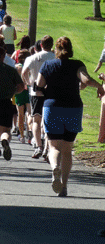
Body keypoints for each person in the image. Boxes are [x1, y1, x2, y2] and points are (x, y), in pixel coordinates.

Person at [36, 37, 105, 197]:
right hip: (73, 108)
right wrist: (100, 87)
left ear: (56, 50)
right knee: (67, 149)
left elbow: (39, 84)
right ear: (70, 49)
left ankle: (55, 168)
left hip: (52, 107)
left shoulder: (48, 65)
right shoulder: (77, 65)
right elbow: (86, 80)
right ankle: (64, 187)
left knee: (54, 146)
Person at [0, 46, 24, 168]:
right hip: (6, 102)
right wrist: (12, 92)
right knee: (5, 130)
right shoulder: (11, 70)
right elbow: (21, 86)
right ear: (4, 56)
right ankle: (5, 140)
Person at [22, 35, 55, 158]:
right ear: (52, 45)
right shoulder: (55, 58)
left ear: (41, 45)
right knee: (48, 120)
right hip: (51, 92)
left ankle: (39, 147)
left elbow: (24, 72)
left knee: (36, 119)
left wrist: (28, 83)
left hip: (35, 91)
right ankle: (46, 147)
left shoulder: (33, 58)